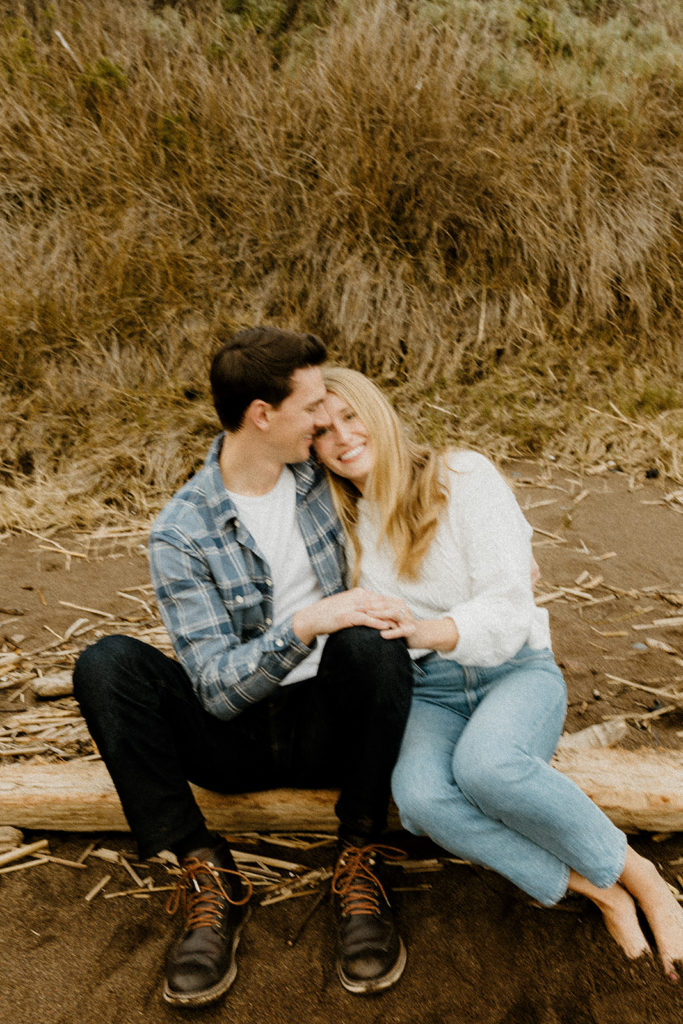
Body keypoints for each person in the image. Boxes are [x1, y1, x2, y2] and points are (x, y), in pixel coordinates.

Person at [73, 327, 414, 1007]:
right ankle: (202, 867)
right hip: (230, 742)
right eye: (312, 403)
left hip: (330, 730)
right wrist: (301, 624)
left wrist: (501, 549)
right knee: (104, 663)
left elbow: (415, 476)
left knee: (370, 639)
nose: (325, 417)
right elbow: (217, 691)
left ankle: (359, 856)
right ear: (263, 414)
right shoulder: (182, 530)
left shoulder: (324, 479)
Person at [313, 365, 683, 983]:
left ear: (377, 411)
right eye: (323, 430)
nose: (343, 437)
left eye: (351, 416)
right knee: (422, 799)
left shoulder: (462, 475)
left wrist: (426, 630)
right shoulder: (342, 519)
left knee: (486, 768)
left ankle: (644, 879)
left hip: (514, 671)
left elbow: (509, 606)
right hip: (431, 691)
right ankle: (597, 891)